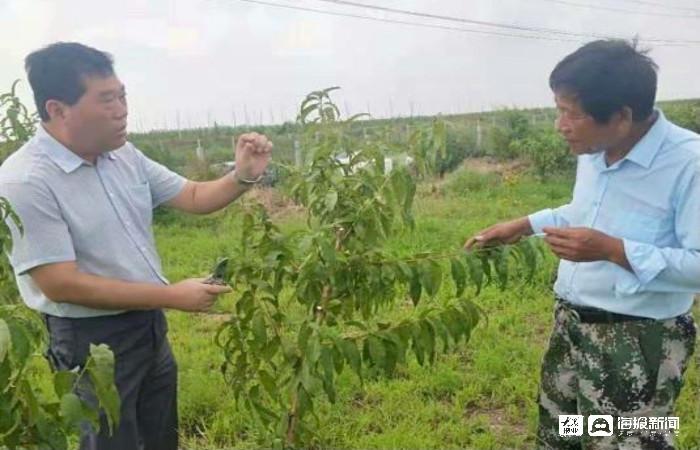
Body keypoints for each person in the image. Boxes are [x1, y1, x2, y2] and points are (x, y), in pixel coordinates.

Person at [0, 42, 272, 450]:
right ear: (58, 109)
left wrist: (242, 176)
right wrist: (172, 296)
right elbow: (61, 284)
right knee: (112, 442)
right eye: (106, 99)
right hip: (89, 337)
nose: (121, 109)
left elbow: (195, 196)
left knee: (160, 435)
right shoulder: (27, 180)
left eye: (122, 95)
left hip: (147, 324)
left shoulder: (122, 155)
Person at [465, 39, 698, 449]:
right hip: (573, 327)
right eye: (559, 110)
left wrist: (612, 249)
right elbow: (584, 211)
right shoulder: (594, 150)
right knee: (567, 434)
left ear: (622, 116)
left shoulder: (688, 165)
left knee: (627, 440)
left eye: (570, 113)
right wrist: (523, 225)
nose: (561, 125)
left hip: (638, 342)